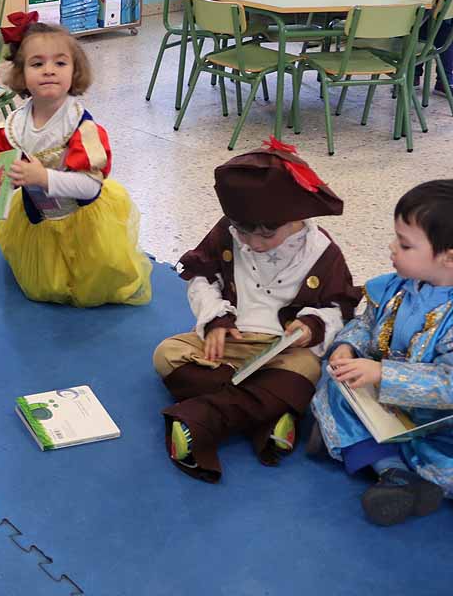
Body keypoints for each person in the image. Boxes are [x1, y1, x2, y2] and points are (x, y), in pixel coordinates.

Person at [152, 138, 360, 482]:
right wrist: (216, 318)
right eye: (245, 232)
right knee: (167, 354)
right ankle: (268, 414)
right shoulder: (230, 232)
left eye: (266, 234)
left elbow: (341, 307)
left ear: (298, 216)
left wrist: (311, 326)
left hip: (283, 350)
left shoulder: (322, 251)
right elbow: (201, 276)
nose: (253, 243)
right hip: (231, 343)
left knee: (307, 370)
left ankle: (199, 418)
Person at [309, 180, 453, 526]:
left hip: (441, 425)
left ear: (448, 258)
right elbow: (367, 323)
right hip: (388, 407)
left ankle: (370, 455)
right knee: (335, 385)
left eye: (404, 245)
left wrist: (384, 374)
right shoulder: (395, 288)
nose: (392, 248)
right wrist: (348, 346)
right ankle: (395, 474)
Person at [0, 14, 151, 307]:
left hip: (84, 217)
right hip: (38, 216)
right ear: (21, 73)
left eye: (60, 63)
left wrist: (43, 178)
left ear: (75, 71)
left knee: (99, 273)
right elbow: (0, 184)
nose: (49, 70)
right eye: (37, 64)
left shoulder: (82, 128)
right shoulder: (11, 128)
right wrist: (6, 187)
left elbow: (91, 188)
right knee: (45, 283)